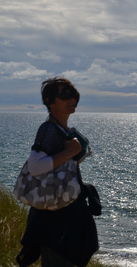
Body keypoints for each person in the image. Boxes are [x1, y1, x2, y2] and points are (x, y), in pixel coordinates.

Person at [16, 77, 99, 267]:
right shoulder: (49, 129)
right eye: (64, 95)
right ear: (50, 102)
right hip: (58, 222)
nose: (71, 99)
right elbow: (36, 166)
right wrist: (70, 152)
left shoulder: (62, 129)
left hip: (66, 216)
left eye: (73, 95)